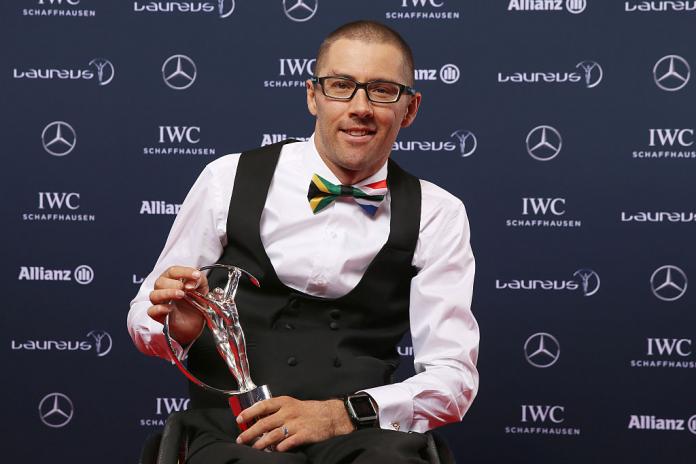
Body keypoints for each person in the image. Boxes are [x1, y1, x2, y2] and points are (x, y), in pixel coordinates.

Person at [128, 20, 479, 463]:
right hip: (233, 430)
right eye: (341, 86)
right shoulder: (228, 178)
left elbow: (453, 379)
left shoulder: (439, 213)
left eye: (383, 90)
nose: (360, 107)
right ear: (313, 95)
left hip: (362, 435)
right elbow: (144, 314)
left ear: (409, 109)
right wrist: (178, 328)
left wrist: (342, 414)